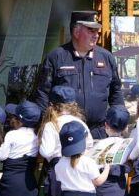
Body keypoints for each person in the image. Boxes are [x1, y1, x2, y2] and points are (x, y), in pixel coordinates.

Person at [33, 10, 124, 139]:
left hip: (100, 133)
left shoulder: (106, 58)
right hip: (65, 134)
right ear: (76, 32)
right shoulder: (56, 57)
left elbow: (116, 92)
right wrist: (43, 128)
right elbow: (42, 94)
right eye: (91, 31)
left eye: (97, 31)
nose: (96, 35)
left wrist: (118, 122)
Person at [36, 85, 92, 196]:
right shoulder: (81, 123)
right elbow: (89, 145)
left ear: (52, 105)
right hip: (79, 166)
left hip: (58, 168)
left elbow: (45, 151)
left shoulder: (51, 125)